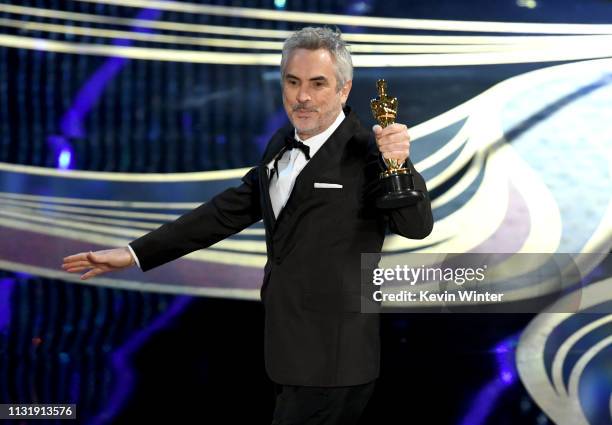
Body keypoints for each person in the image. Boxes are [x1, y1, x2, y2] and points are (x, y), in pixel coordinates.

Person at [62, 27, 433, 425]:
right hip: (286, 351)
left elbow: (416, 226)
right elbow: (224, 212)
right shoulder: (280, 145)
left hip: (335, 361)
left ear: (343, 90)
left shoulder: (366, 151)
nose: (302, 96)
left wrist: (400, 165)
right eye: (292, 82)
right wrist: (134, 253)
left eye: (317, 83)